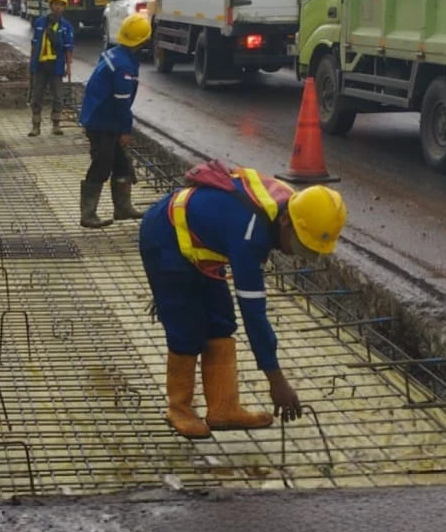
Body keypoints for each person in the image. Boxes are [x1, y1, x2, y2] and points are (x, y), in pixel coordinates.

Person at [138, 162, 347, 439]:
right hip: (164, 236)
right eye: (297, 245)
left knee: (221, 321)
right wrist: (276, 380)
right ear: (286, 222)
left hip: (203, 242)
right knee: (186, 325)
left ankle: (223, 409)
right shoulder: (250, 232)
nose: (294, 254)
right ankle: (179, 408)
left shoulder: (291, 205)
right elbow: (254, 313)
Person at [78, 13, 151, 228]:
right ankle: (88, 214)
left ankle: (123, 208)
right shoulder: (123, 67)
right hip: (103, 122)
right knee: (102, 165)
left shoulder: (116, 55)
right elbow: (121, 102)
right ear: (141, 41)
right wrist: (125, 130)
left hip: (101, 116)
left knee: (121, 164)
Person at [28, 0, 74, 137]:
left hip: (56, 66)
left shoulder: (66, 26)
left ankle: (56, 124)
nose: (57, 8)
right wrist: (31, 64)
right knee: (37, 96)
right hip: (40, 66)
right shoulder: (40, 23)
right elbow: (34, 44)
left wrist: (68, 67)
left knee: (58, 97)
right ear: (51, 5)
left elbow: (68, 48)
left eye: (60, 5)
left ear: (64, 7)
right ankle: (36, 126)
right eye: (55, 4)